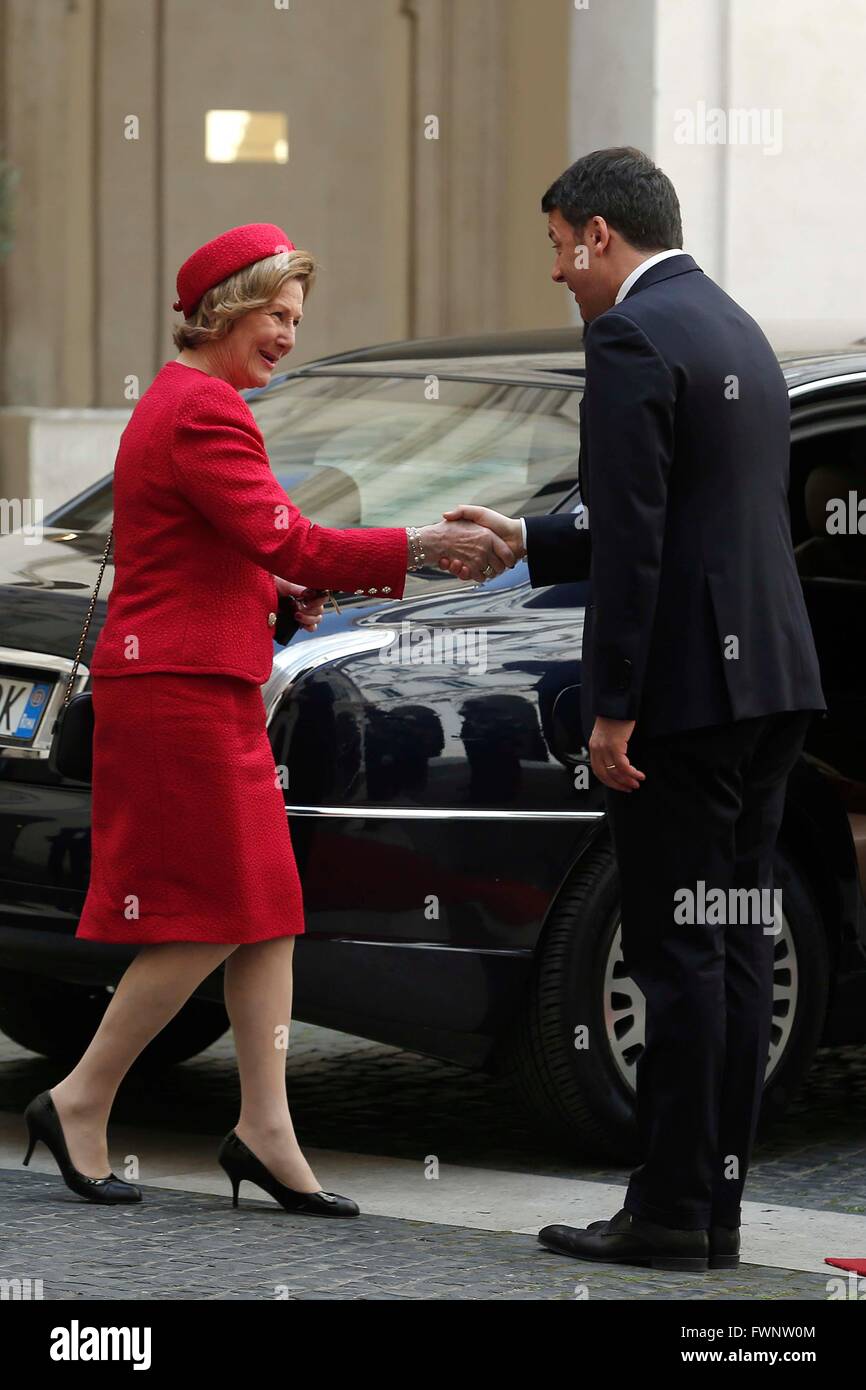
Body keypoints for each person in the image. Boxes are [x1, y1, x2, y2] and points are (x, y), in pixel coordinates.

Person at [22, 222, 512, 1216]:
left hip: (204, 683)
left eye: (296, 318)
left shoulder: (193, 406)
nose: (287, 335)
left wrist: (274, 594)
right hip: (178, 694)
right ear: (226, 310)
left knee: (266, 910)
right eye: (275, 315)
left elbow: (224, 546)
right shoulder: (201, 410)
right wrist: (419, 543)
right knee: (212, 912)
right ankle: (80, 1097)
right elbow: (288, 532)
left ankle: (263, 1126)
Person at [442, 148, 826, 1272]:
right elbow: (680, 510)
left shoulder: (624, 336)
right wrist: (531, 536)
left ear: (596, 234)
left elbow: (643, 545)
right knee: (732, 947)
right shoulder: (730, 326)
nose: (557, 272)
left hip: (685, 698)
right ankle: (708, 1212)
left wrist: (610, 710)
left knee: (675, 956)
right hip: (770, 685)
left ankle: (662, 1213)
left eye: (558, 247)